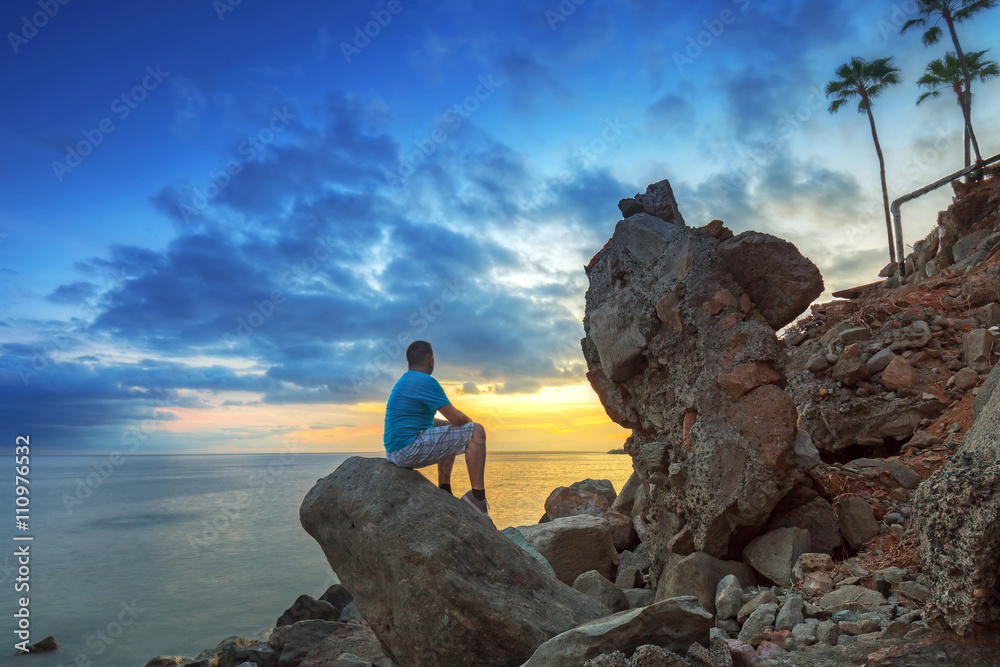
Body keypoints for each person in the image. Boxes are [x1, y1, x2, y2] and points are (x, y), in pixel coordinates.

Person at [383, 340, 490, 517]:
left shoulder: (404, 381)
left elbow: (434, 423)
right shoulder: (426, 381)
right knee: (476, 430)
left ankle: (444, 490)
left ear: (409, 361)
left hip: (395, 452)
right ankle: (478, 498)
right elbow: (457, 418)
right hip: (408, 448)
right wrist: (469, 424)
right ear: (431, 360)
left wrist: (456, 427)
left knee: (451, 430)